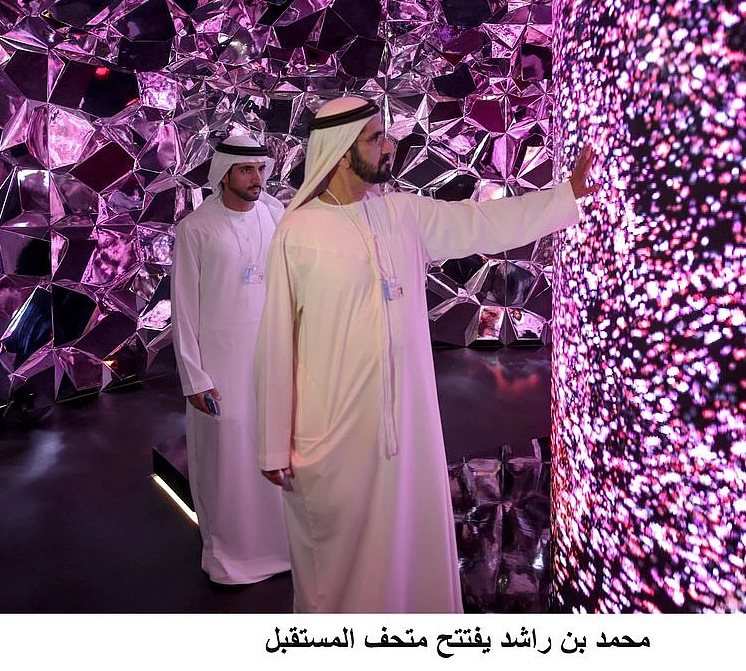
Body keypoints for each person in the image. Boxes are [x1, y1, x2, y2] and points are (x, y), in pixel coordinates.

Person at [254, 96, 597, 612]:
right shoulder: (297, 233)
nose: (389, 145)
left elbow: (481, 222)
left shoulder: (402, 214)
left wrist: (564, 196)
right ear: (342, 152)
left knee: (409, 550)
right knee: (337, 566)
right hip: (335, 432)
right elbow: (277, 343)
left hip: (408, 428)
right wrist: (272, 444)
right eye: (376, 138)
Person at [171, 133, 293, 585]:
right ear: (224, 174)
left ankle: (284, 549)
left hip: (271, 358)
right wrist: (195, 377)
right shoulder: (196, 228)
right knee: (228, 460)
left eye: (260, 169)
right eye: (245, 170)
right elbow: (184, 306)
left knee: (274, 448)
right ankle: (231, 557)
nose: (256, 178)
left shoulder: (276, 214)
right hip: (220, 366)